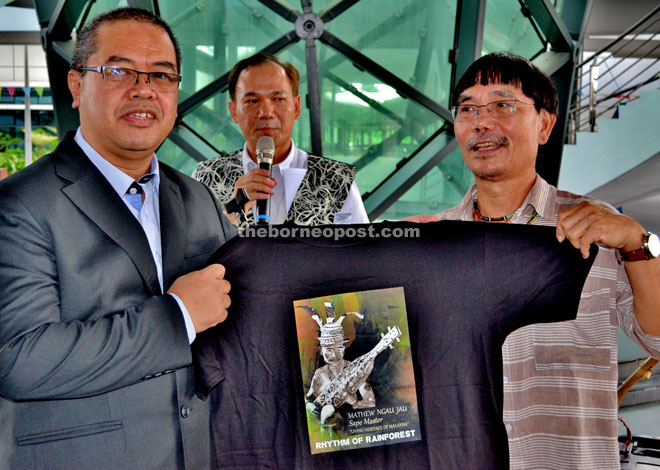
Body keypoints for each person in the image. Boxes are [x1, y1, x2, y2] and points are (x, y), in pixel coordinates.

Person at [0, 8, 234, 470]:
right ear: (75, 85)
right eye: (118, 70)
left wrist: (406, 247)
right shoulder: (19, 206)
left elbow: (257, 295)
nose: (143, 88)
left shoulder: (198, 197)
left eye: (161, 75)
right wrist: (177, 316)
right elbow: (20, 359)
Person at [407, 52, 660, 469]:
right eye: (467, 109)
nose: (480, 122)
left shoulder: (597, 229)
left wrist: (638, 242)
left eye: (502, 105)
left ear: (544, 124)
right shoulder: (432, 243)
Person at [195, 53, 369, 225]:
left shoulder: (337, 181)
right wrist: (230, 215)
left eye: (278, 99)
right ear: (234, 111)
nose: (266, 113)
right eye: (252, 100)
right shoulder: (205, 179)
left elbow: (358, 250)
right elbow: (191, 250)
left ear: (297, 107)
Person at [304, 303, 375, 428]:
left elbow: (370, 403)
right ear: (321, 351)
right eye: (328, 350)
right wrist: (311, 408)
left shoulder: (356, 370)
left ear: (343, 349)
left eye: (338, 349)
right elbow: (308, 399)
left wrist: (354, 402)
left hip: (352, 429)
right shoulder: (320, 374)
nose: (333, 355)